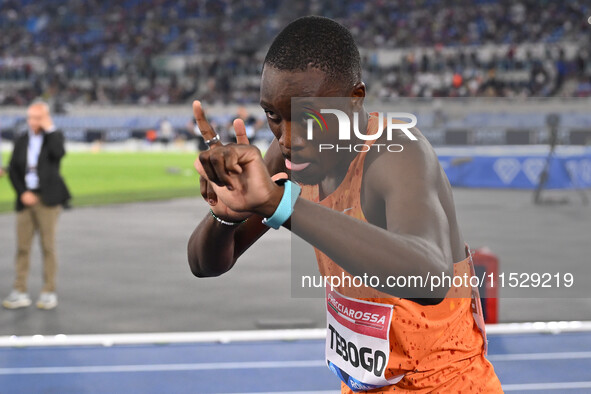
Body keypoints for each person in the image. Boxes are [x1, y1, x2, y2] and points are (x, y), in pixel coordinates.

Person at [187, 16, 502, 393]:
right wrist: (223, 218)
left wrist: (281, 205)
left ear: (354, 100)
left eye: (309, 118)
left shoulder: (396, 152)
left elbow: (430, 277)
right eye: (274, 115)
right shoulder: (292, 154)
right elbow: (205, 265)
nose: (287, 138)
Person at [3, 101, 71, 310]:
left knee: (48, 246)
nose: (33, 122)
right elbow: (13, 169)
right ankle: (20, 290)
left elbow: (58, 154)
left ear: (45, 118)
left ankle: (48, 291)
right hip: (25, 200)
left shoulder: (53, 137)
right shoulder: (22, 139)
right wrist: (23, 193)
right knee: (22, 247)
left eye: (37, 118)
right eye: (30, 117)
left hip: (47, 200)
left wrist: (49, 128)